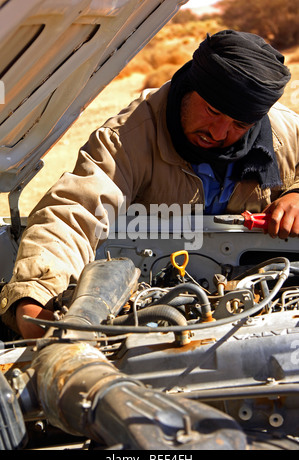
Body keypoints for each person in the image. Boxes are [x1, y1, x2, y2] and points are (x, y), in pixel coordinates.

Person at [1, 29, 299, 338]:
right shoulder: (131, 135)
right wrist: (34, 296)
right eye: (212, 111)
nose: (220, 132)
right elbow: (75, 213)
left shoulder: (283, 132)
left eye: (240, 124)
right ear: (191, 86)